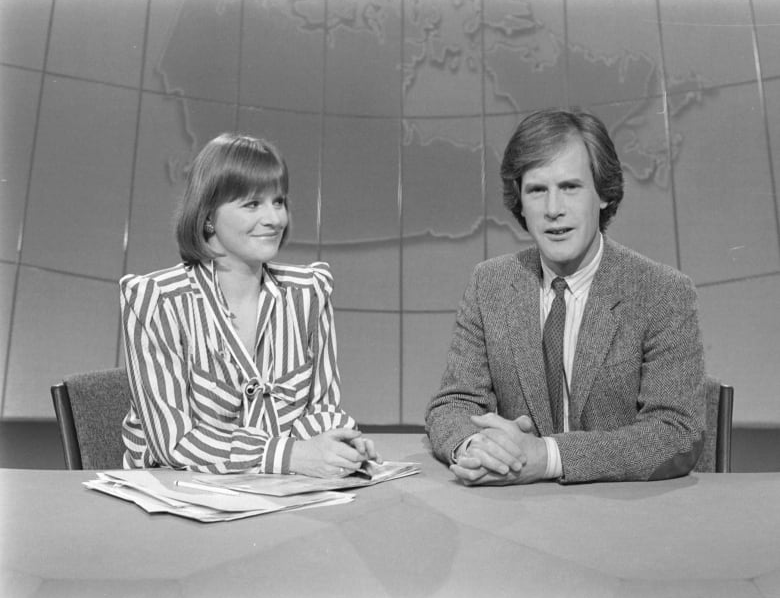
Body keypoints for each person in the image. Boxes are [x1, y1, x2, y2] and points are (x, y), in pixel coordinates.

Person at [425, 108, 705, 485]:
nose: (553, 210)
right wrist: (478, 447)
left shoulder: (661, 292)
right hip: (515, 517)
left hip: (624, 516)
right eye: (537, 190)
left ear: (603, 194)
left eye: (570, 187)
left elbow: (675, 432)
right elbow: (453, 404)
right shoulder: (489, 283)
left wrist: (548, 457)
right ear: (520, 202)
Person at [120, 133, 379, 476]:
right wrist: (287, 455)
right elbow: (174, 442)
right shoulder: (157, 300)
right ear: (208, 214)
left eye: (279, 201)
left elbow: (321, 407)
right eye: (252, 204)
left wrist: (336, 442)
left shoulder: (309, 293)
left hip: (278, 493)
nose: (275, 219)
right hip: (178, 498)